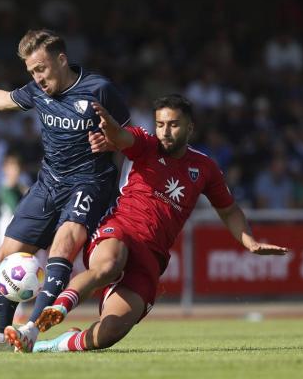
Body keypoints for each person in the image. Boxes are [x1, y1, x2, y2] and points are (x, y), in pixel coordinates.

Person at [32, 94, 289, 353]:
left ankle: (53, 345)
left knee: (109, 333)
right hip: (120, 231)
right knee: (109, 264)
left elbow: (229, 209)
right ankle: (59, 307)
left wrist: (250, 241)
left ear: (189, 128)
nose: (165, 131)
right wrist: (109, 124)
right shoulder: (145, 145)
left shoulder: (205, 168)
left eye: (173, 124)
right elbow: (121, 137)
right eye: (161, 124)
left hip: (152, 257)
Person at [0, 29, 130, 353]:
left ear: (61, 59)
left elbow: (129, 135)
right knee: (5, 255)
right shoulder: (37, 92)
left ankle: (33, 329)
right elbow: (3, 100)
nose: (37, 78)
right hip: (49, 182)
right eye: (31, 72)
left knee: (63, 243)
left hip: (89, 182)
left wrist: (111, 141)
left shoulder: (100, 89)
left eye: (41, 69)